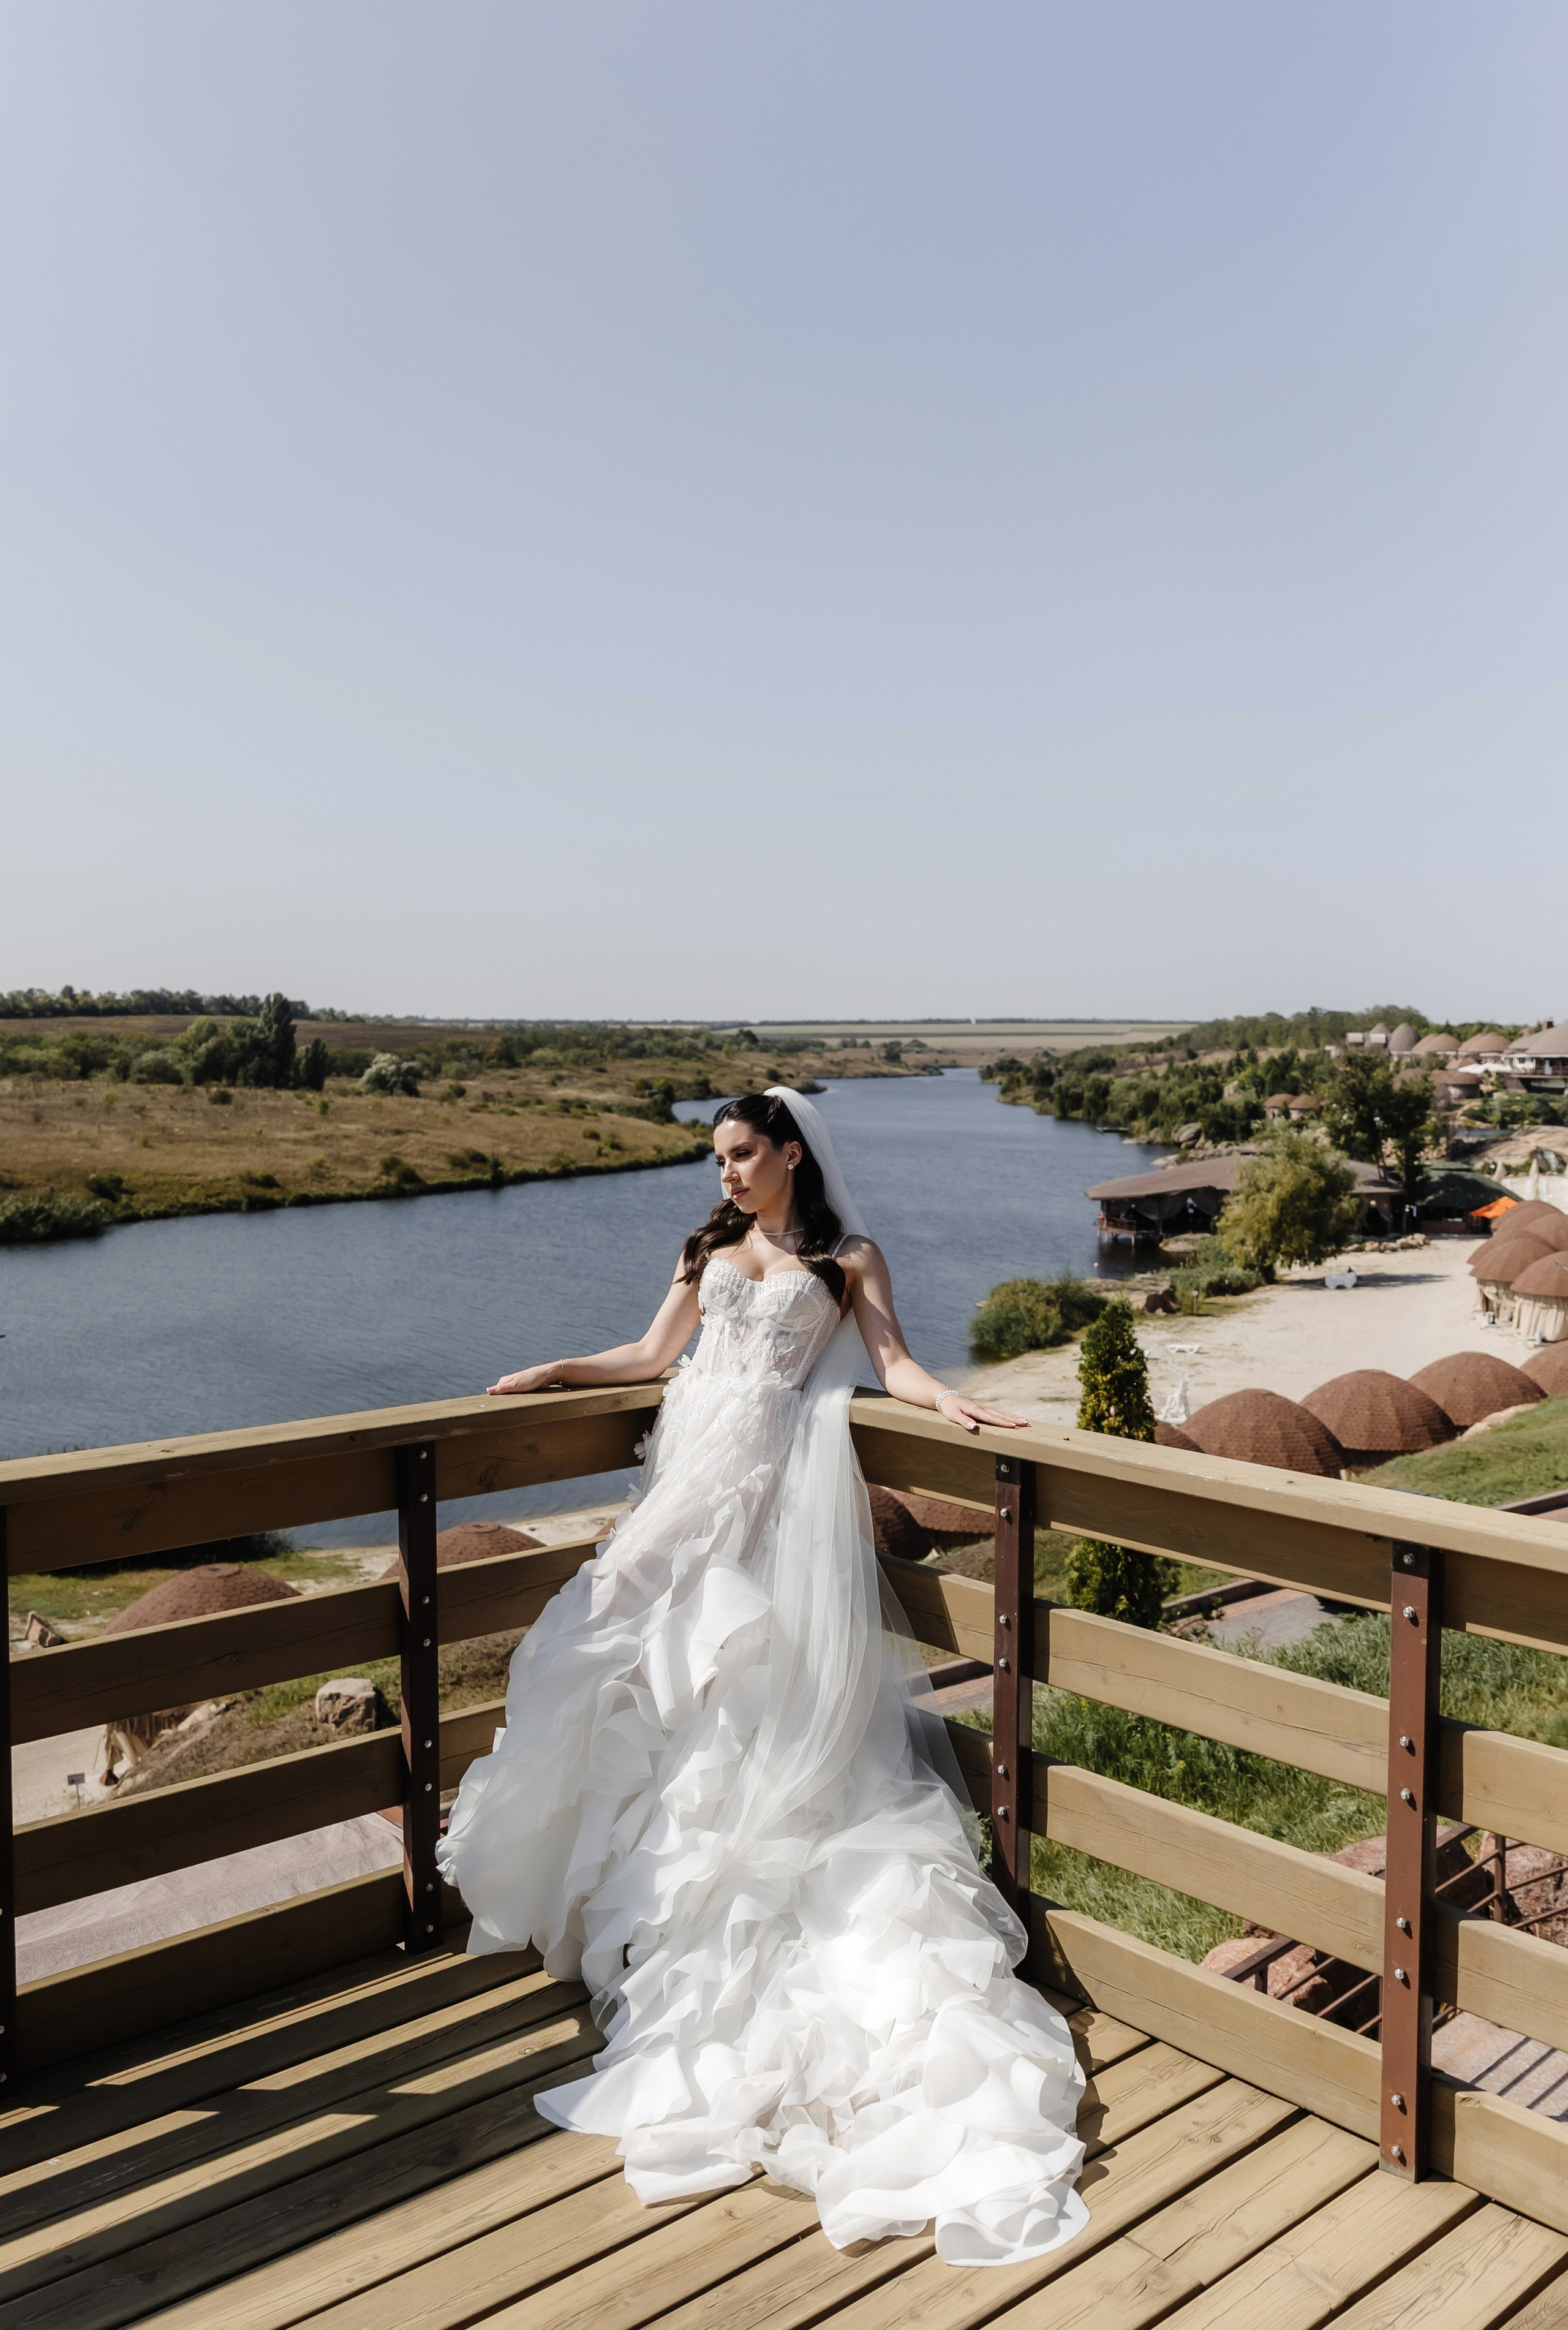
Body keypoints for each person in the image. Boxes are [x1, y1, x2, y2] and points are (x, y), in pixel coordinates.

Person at [437, 1087, 1087, 2266]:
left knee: (739, 1695)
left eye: (743, 1156)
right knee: (607, 1645)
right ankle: (618, 1909)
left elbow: (891, 1366)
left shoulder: (847, 1259)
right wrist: (552, 1371)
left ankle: (733, 1921)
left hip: (772, 1501)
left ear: (791, 1153)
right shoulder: (704, 1248)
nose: (727, 1174)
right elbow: (651, 1355)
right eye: (719, 1159)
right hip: (686, 1482)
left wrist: (959, 1404)